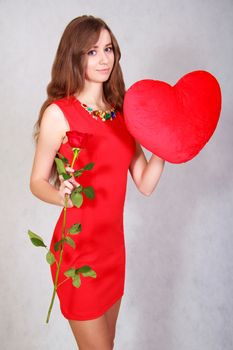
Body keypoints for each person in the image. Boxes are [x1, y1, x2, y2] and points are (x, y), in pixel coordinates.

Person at [30, 15, 165, 350]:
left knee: (109, 343)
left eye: (108, 49)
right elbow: (36, 181)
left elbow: (145, 184)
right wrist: (60, 195)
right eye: (92, 51)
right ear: (75, 56)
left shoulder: (123, 114)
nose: (104, 58)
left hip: (112, 253)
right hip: (76, 254)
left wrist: (167, 144)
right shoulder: (58, 114)